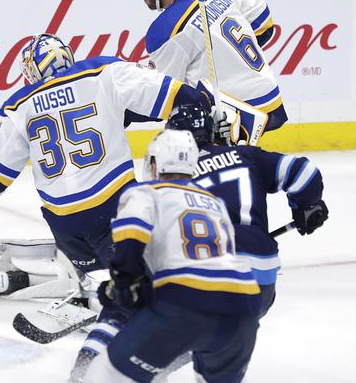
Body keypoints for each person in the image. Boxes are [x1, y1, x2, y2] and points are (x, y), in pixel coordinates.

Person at [0, 33, 211, 380]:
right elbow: (178, 97)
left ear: (31, 72)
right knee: (149, 286)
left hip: (66, 228)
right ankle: (120, 353)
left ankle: (98, 295)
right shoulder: (103, 72)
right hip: (117, 209)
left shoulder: (20, 105)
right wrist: (199, 105)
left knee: (114, 282)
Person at [85, 129, 262, 383]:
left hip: (185, 302)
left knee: (105, 375)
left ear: (154, 163)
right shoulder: (216, 203)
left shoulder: (146, 192)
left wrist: (124, 283)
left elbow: (130, 238)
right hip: (243, 308)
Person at [166, 103, 329, 316]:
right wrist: (307, 206)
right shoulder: (246, 155)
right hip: (262, 276)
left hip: (208, 279)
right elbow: (306, 174)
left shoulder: (171, 179)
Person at [130, 0, 288, 138]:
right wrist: (229, 58)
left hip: (235, 117)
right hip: (271, 97)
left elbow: (162, 95)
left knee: (183, 137)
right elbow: (263, 21)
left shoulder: (166, 30)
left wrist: (124, 110)